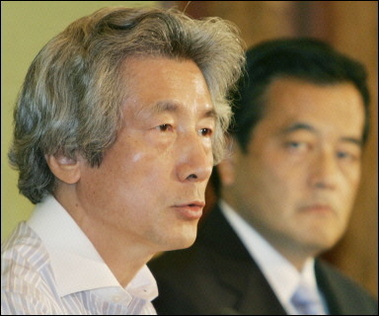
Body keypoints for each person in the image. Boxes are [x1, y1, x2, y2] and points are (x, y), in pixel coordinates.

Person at [1, 6, 245, 315]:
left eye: (205, 130)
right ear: (66, 153)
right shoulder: (17, 299)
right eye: (165, 127)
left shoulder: (130, 298)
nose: (200, 167)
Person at [148, 38, 378, 315]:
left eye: (345, 154)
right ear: (227, 156)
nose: (326, 177)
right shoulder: (164, 297)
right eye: (298, 145)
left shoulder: (360, 303)